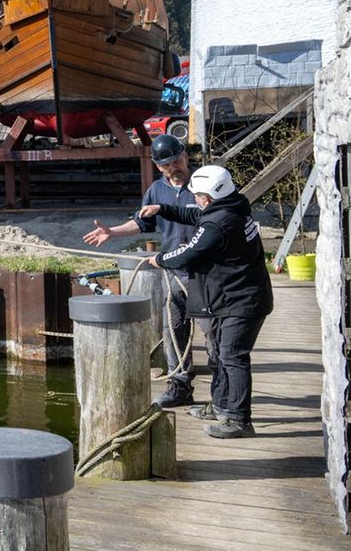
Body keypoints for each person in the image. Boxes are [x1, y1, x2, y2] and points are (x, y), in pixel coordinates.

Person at [142, 165, 274, 439]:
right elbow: (194, 215)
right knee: (223, 355)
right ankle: (221, 406)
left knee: (232, 357)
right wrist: (163, 209)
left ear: (208, 197)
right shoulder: (232, 207)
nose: (196, 200)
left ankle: (238, 420)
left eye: (198, 195)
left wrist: (160, 260)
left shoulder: (218, 223)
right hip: (235, 297)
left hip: (242, 301)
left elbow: (189, 252)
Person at [82, 134, 201, 408]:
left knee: (213, 332)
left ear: (185, 154)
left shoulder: (202, 184)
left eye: (177, 160)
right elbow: (142, 223)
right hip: (173, 270)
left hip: (205, 271)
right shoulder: (156, 190)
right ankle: (180, 387)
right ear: (159, 167)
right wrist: (111, 232)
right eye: (167, 165)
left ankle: (222, 394)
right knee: (173, 329)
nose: (174, 168)